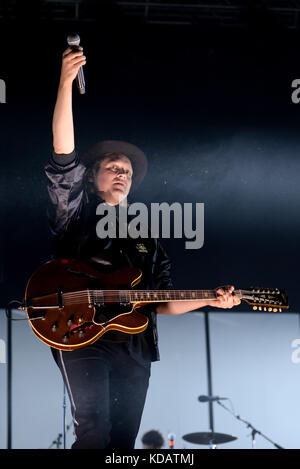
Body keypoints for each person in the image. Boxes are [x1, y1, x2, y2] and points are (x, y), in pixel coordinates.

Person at [44, 45, 241, 449]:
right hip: (83, 332)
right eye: (113, 168)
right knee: (94, 431)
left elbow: (162, 302)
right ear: (92, 177)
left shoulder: (148, 238)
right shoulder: (75, 211)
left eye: (128, 172)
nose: (122, 174)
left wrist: (210, 299)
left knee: (122, 443)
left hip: (135, 347)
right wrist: (65, 82)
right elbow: (63, 155)